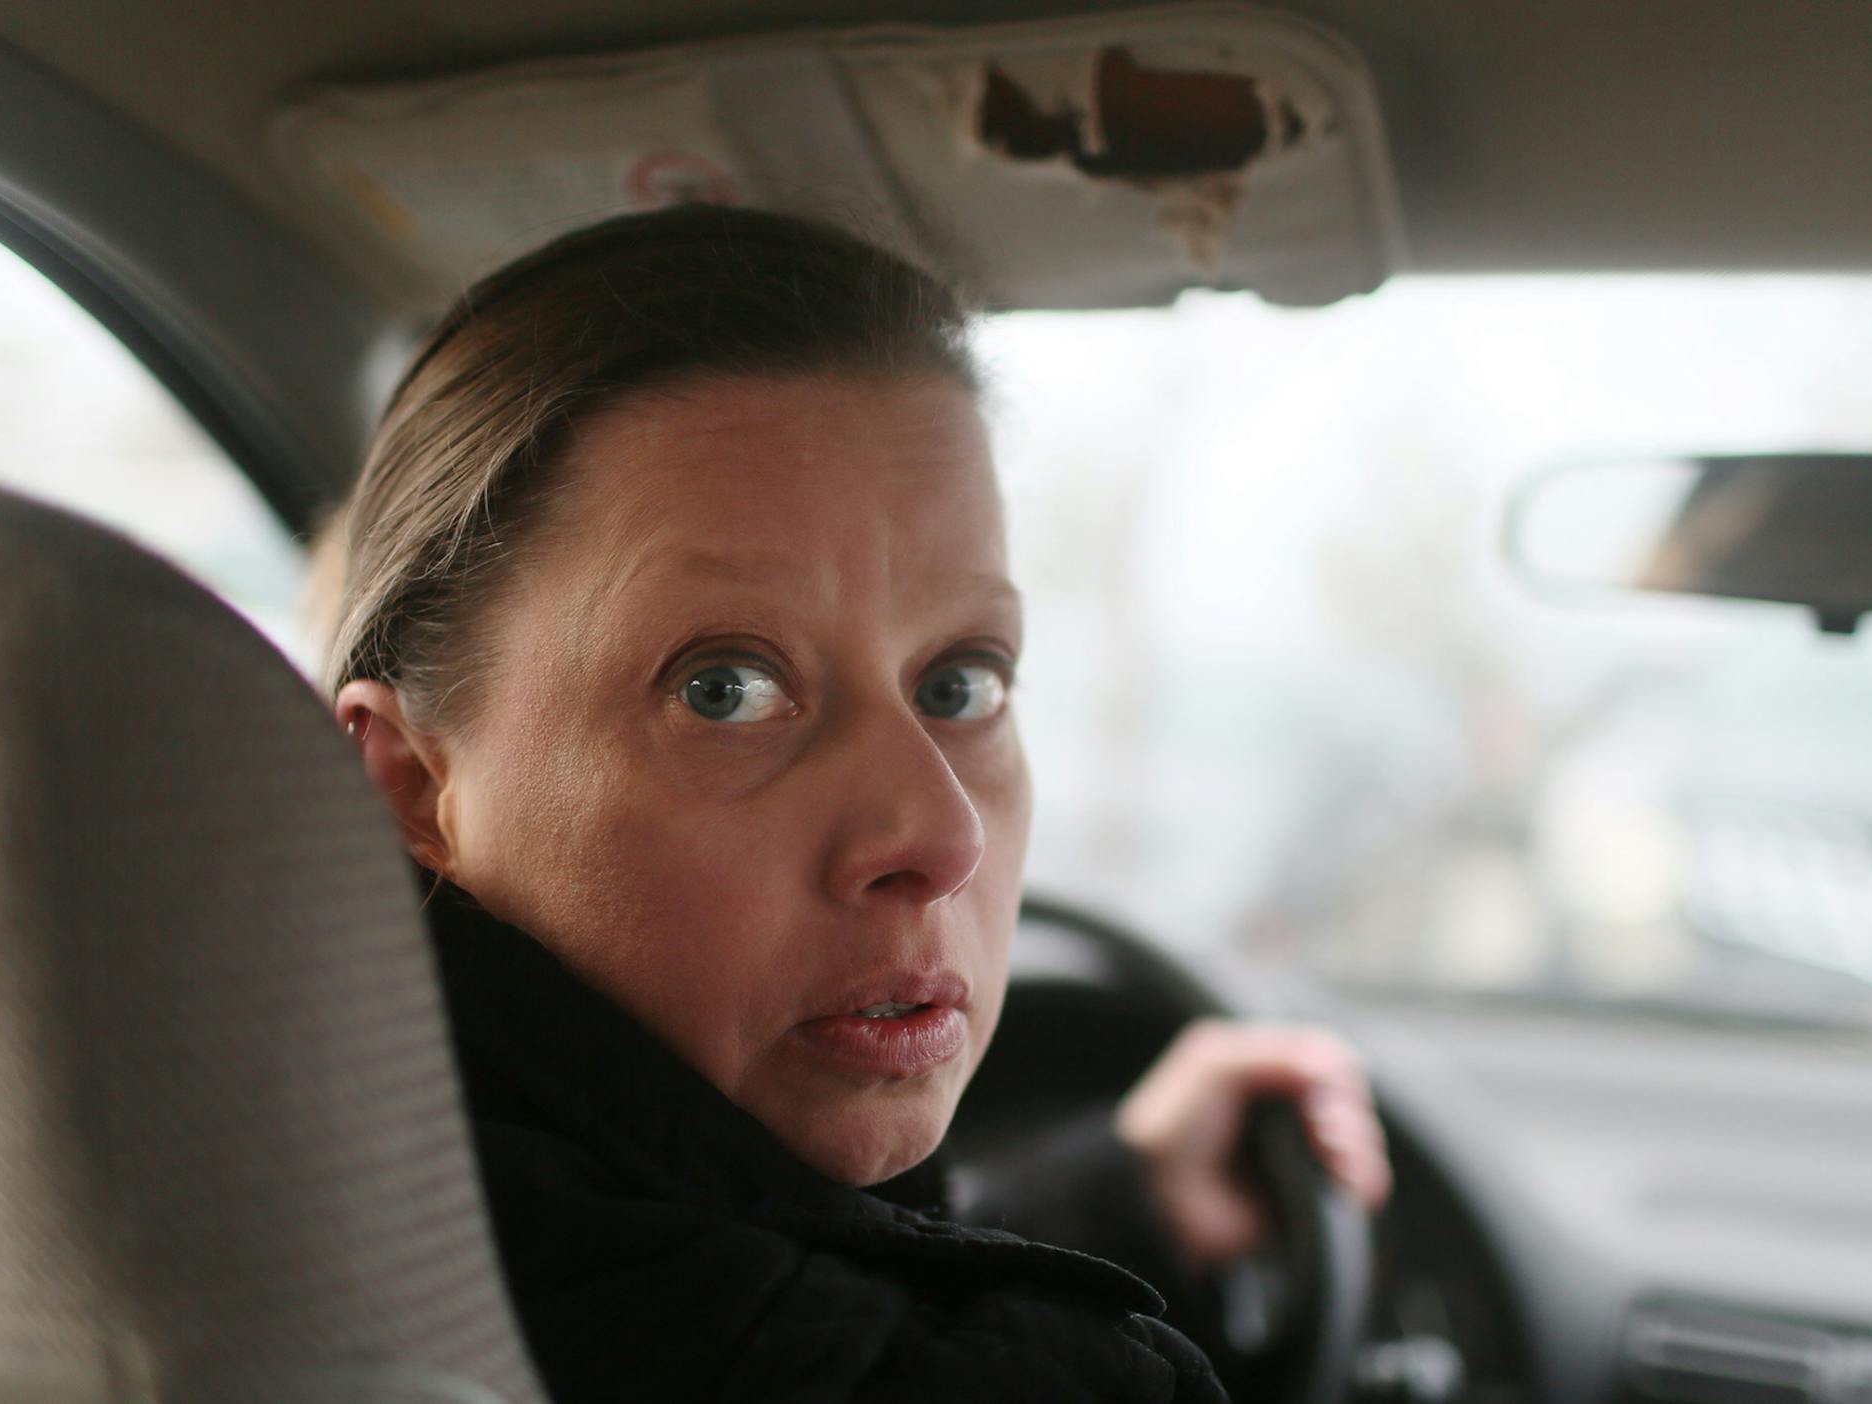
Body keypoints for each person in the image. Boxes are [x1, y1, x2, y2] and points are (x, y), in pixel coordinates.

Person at [318, 203, 1388, 1403]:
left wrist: (1116, 1204)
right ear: (410, 781)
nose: (939, 838)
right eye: (724, 689)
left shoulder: (314, 1203)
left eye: (960, 681)